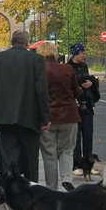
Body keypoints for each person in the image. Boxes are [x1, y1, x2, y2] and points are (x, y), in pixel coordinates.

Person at [0, 30, 50, 182]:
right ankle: (31, 192)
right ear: (27, 44)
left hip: (4, 118)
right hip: (30, 117)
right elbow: (41, 91)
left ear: (11, 42)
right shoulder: (36, 60)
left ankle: (11, 191)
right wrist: (45, 117)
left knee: (8, 158)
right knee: (30, 160)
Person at [37, 42, 81, 191]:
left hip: (47, 117)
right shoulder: (67, 69)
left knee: (49, 153)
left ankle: (51, 187)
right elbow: (76, 92)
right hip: (69, 115)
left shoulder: (38, 71)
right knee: (67, 149)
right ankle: (67, 178)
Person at [68, 43, 100, 176]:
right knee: (76, 138)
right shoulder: (68, 67)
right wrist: (84, 81)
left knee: (88, 136)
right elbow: (72, 83)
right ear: (76, 54)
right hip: (75, 105)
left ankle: (88, 164)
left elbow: (90, 80)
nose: (85, 56)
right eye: (82, 53)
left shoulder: (84, 66)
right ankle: (77, 164)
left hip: (87, 105)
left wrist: (92, 83)